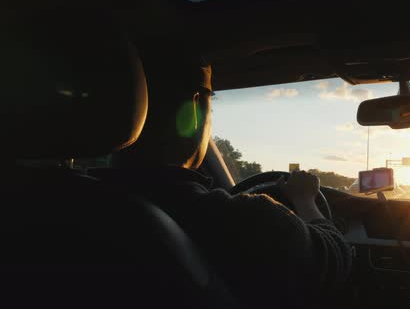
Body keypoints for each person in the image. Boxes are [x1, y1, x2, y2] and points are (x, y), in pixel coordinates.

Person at [106, 51, 351, 308]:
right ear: (194, 109)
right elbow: (334, 260)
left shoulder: (72, 203)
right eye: (211, 106)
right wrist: (305, 198)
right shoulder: (246, 220)